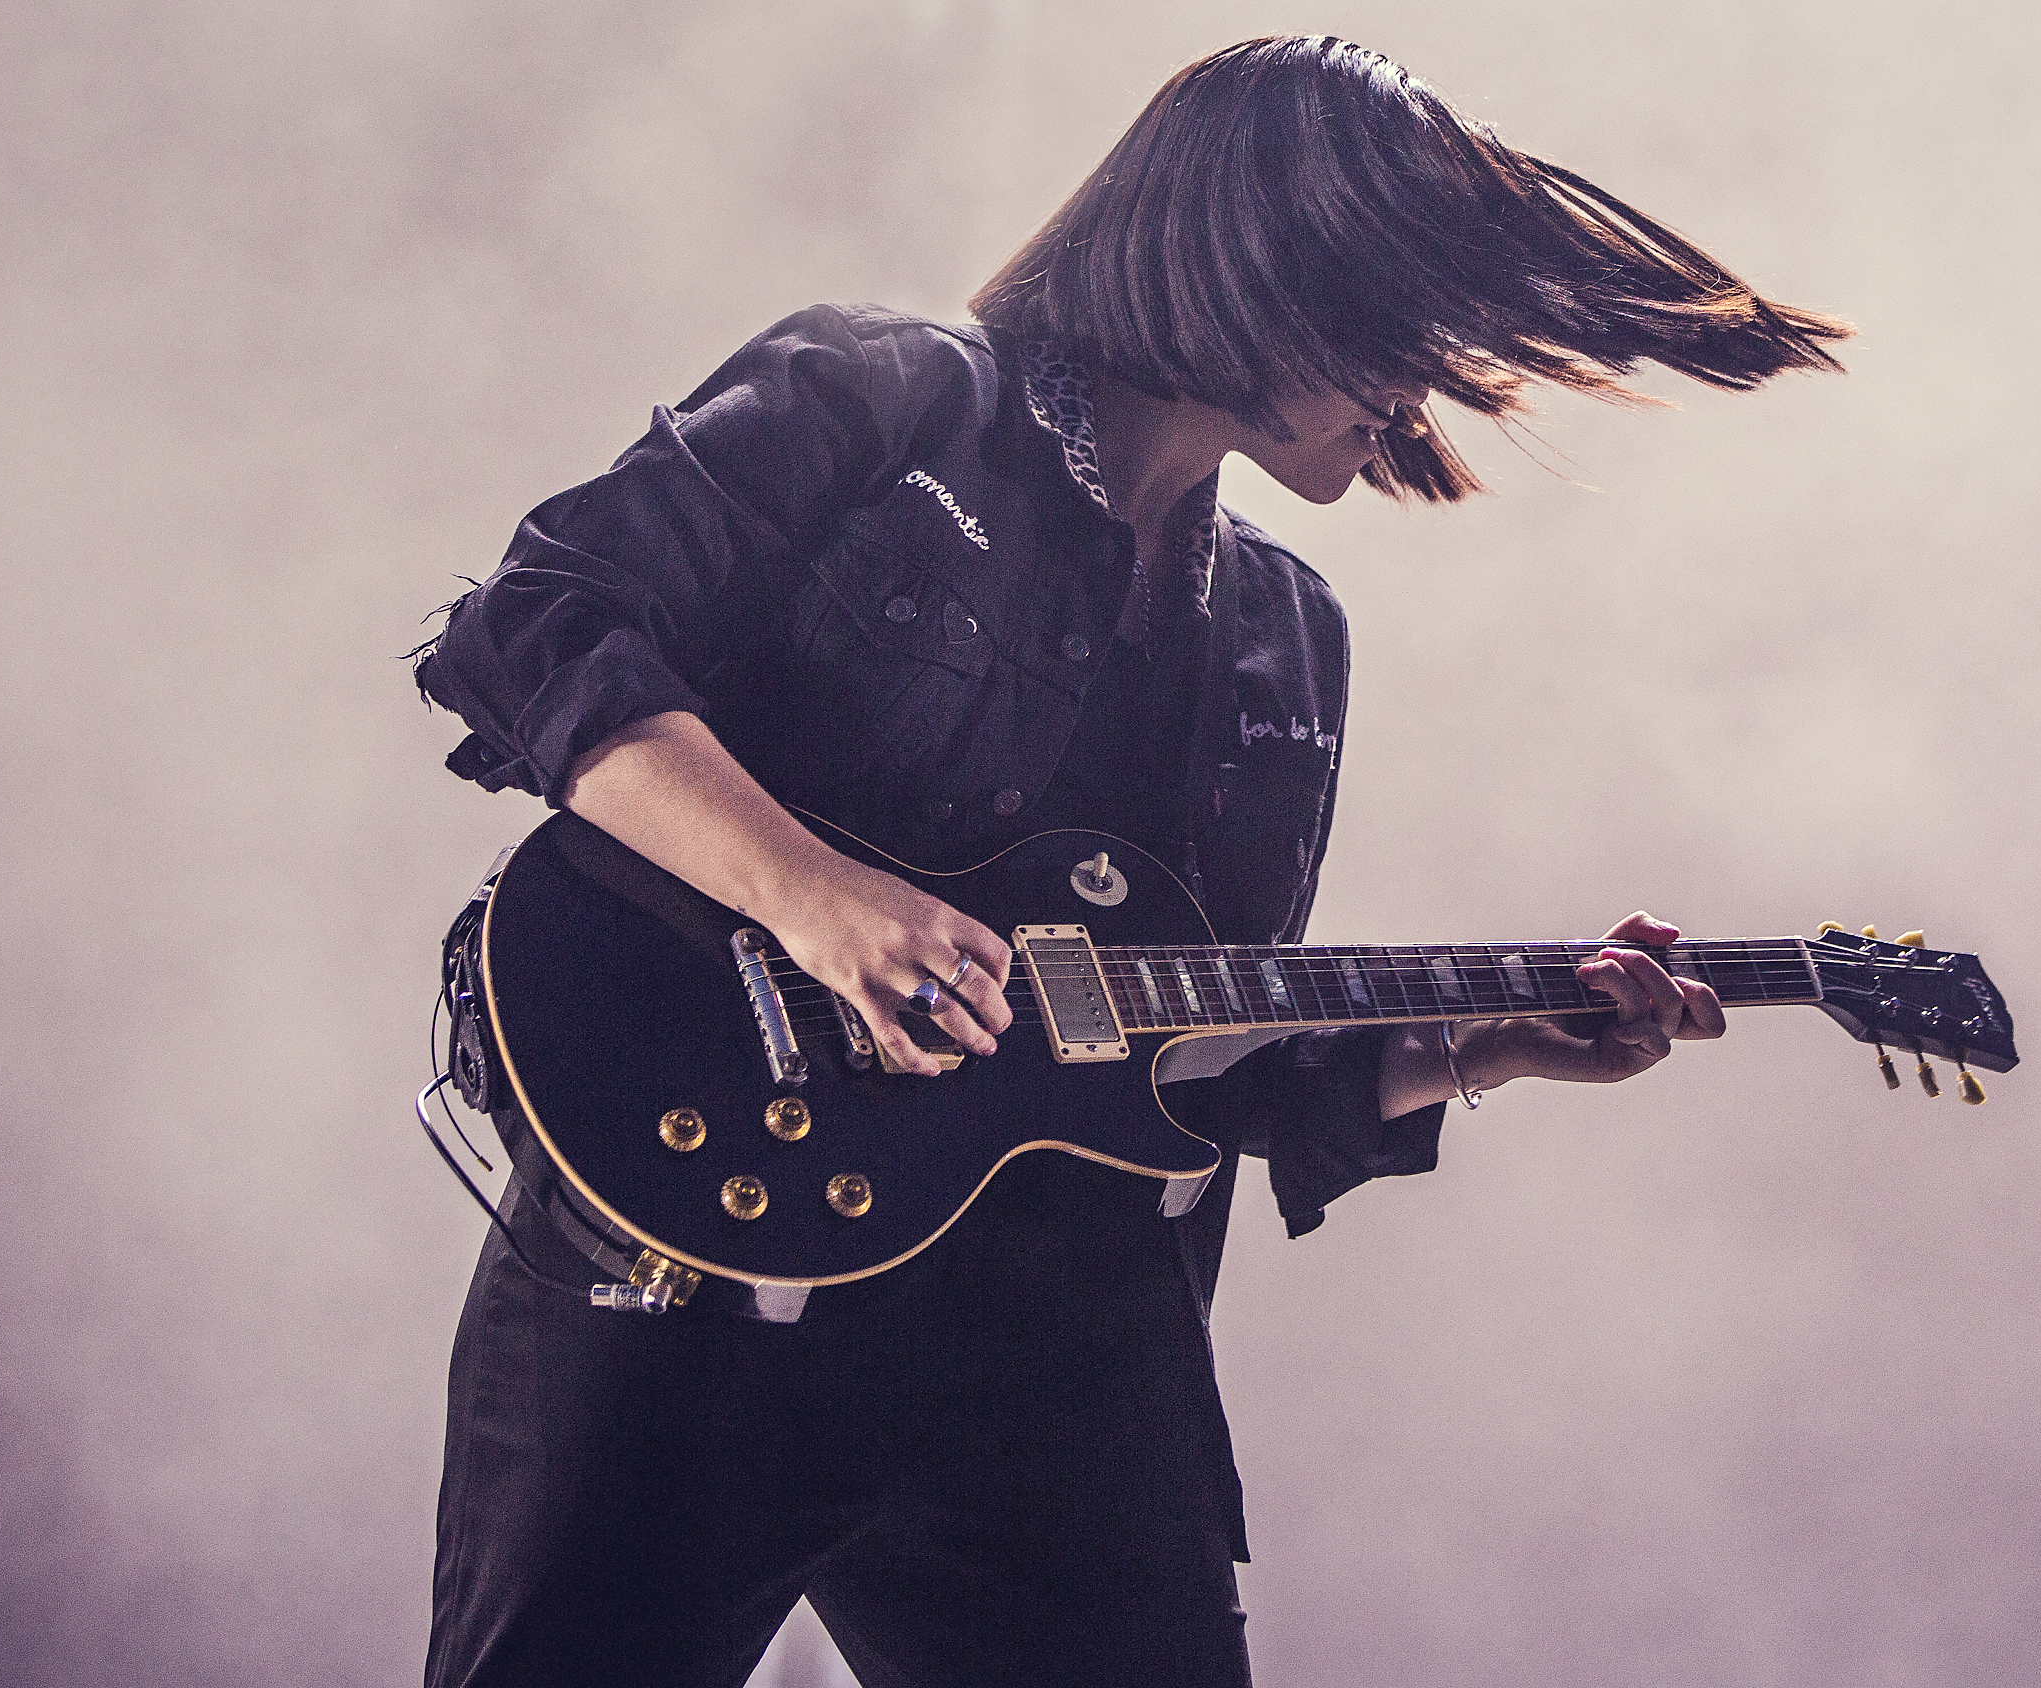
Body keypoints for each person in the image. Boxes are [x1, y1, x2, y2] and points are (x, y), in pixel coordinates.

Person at [412, 35, 1848, 1688]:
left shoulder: (1283, 638)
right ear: (1264, 266)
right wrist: (811, 898)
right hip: (684, 1290)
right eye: (1406, 323)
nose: (1428, 385)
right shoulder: (881, 396)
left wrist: (1488, 1048)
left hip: (1054, 1356)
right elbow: (534, 625)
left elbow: (1182, 1069)